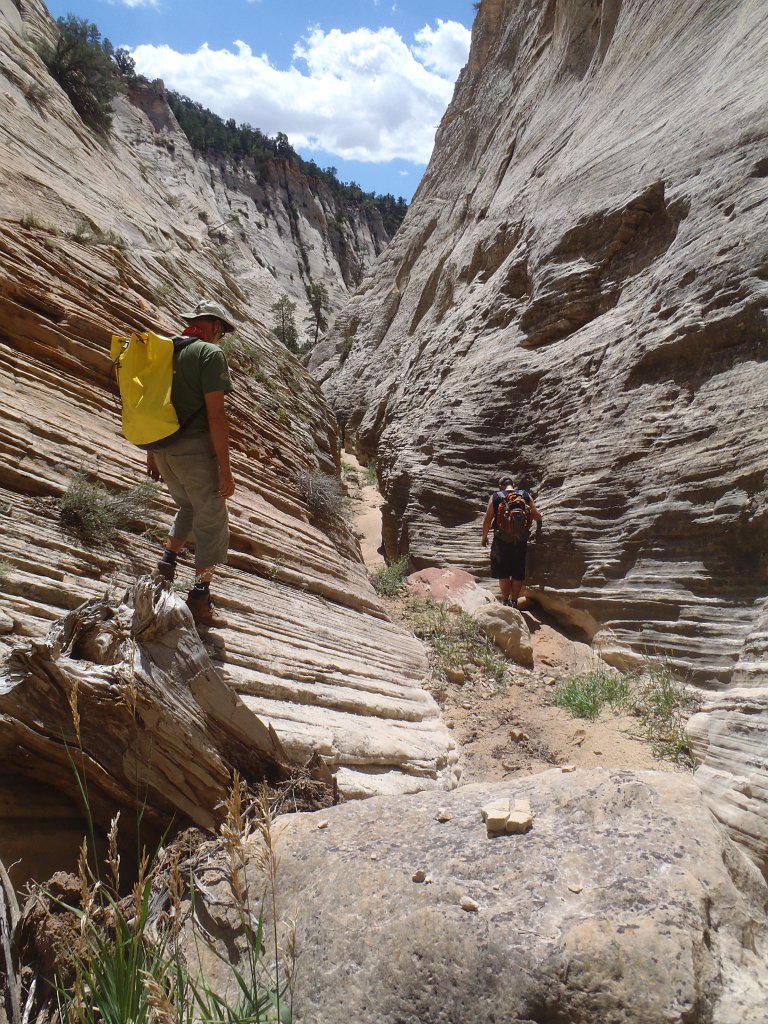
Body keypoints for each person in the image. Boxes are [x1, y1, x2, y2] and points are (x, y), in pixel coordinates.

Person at [146, 300, 236, 628]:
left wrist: (152, 451)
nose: (221, 336)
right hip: (195, 452)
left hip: (164, 450)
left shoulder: (166, 348)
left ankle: (166, 564)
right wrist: (225, 469)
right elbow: (215, 415)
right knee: (212, 521)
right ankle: (200, 597)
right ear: (212, 324)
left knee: (187, 507)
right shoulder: (210, 355)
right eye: (222, 330)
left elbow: (153, 404)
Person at [481, 474, 543, 608]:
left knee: (503, 572)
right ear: (513, 485)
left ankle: (505, 600)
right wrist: (540, 517)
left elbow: (487, 520)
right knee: (517, 571)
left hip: (500, 540)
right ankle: (514, 601)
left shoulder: (496, 497)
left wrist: (484, 537)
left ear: (500, 486)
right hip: (520, 540)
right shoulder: (524, 495)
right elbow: (534, 514)